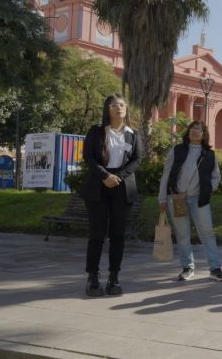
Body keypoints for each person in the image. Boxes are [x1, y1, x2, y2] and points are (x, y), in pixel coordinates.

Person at [80, 94, 143, 297]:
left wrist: (118, 177)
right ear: (107, 109)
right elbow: (88, 157)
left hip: (122, 188)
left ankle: (114, 277)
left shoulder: (133, 134)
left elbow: (137, 159)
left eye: (122, 105)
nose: (119, 108)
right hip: (98, 186)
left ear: (126, 109)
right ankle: (93, 277)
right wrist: (105, 176)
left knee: (118, 235)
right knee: (97, 234)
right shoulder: (96, 131)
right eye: (114, 105)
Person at [158, 121, 222, 282]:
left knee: (207, 233)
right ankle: (187, 267)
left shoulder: (209, 154)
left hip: (199, 199)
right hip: (177, 197)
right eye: (192, 129)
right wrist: (162, 197)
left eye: (199, 130)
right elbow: (166, 174)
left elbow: (216, 176)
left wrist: (208, 189)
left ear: (204, 134)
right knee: (182, 234)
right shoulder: (177, 150)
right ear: (188, 132)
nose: (195, 132)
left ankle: (215, 268)